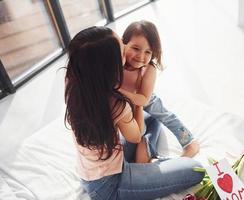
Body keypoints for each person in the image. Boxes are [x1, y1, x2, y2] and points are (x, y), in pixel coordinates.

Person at [64, 26, 204, 200]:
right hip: (110, 186)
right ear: (110, 67)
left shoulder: (73, 82)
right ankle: (148, 162)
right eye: (123, 51)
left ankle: (144, 159)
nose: (129, 54)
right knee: (196, 169)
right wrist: (138, 100)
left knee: (152, 118)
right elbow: (135, 136)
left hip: (90, 171)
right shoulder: (117, 104)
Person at [119, 20, 199, 157]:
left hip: (143, 97)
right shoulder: (117, 60)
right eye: (136, 48)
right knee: (135, 131)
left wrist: (118, 92)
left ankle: (189, 142)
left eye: (148, 52)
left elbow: (143, 99)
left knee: (166, 116)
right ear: (123, 44)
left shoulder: (149, 68)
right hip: (124, 101)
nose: (141, 56)